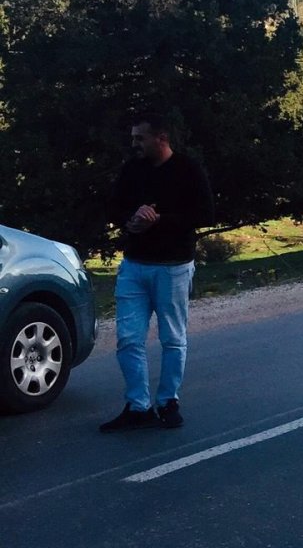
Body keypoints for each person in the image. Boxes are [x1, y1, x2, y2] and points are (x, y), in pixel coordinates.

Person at [99, 114, 214, 433]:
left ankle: (168, 402)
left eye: (140, 138)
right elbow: (113, 207)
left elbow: (205, 213)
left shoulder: (188, 169)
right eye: (133, 138)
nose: (134, 144)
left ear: (161, 138)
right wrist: (131, 218)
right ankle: (138, 406)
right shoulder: (132, 169)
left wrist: (159, 220)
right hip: (134, 266)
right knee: (128, 339)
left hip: (173, 267)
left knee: (173, 338)